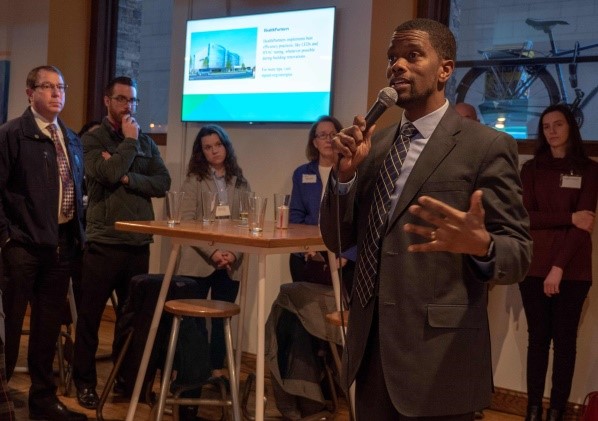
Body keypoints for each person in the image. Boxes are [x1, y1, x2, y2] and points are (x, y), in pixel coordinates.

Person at [319, 18, 532, 420]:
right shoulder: (374, 145)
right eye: (392, 58)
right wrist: (344, 177)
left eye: (413, 55)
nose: (397, 65)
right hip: (371, 351)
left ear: (445, 70)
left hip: (438, 357)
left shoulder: (485, 146)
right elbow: (337, 239)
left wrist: (483, 246)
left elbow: (518, 254)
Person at [72, 76, 171, 410]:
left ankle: (126, 382)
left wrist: (129, 175)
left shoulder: (145, 142)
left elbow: (162, 182)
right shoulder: (91, 139)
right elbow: (107, 174)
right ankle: (84, 383)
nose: (128, 106)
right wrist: (128, 145)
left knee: (131, 320)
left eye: (133, 101)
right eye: (122, 99)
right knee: (90, 317)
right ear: (106, 101)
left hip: (137, 242)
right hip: (103, 242)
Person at [0, 65, 87, 420]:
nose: (56, 93)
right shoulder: (11, 135)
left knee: (47, 327)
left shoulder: (70, 138)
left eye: (61, 87)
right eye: (47, 87)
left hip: (60, 246)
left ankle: (43, 399)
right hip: (21, 245)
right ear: (29, 92)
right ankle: (2, 397)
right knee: (8, 324)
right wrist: (6, 237)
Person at [267, 116, 356, 419]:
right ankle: (305, 393)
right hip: (307, 262)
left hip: (343, 266)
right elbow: (295, 216)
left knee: (304, 315)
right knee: (295, 315)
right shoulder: (302, 173)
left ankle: (310, 395)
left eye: (333, 134)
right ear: (314, 141)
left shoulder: (353, 172)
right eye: (322, 135)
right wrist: (311, 247)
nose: (328, 139)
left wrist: (346, 254)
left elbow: (361, 222)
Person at [519, 104, 598, 421]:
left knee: (565, 343)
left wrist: (559, 268)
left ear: (571, 128)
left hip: (573, 269)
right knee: (537, 340)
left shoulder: (589, 170)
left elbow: (585, 224)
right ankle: (533, 409)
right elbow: (524, 218)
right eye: (546, 126)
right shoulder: (531, 170)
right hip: (533, 266)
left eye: (558, 125)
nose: (551, 131)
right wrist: (568, 217)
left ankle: (556, 411)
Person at [177, 124, 250, 383]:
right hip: (199, 260)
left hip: (231, 261)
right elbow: (186, 222)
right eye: (207, 147)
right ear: (201, 152)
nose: (214, 151)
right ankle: (194, 373)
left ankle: (218, 370)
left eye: (217, 145)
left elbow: (248, 221)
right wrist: (214, 252)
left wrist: (231, 252)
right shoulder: (194, 181)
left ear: (225, 146)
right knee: (194, 321)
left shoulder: (239, 181)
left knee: (222, 321)